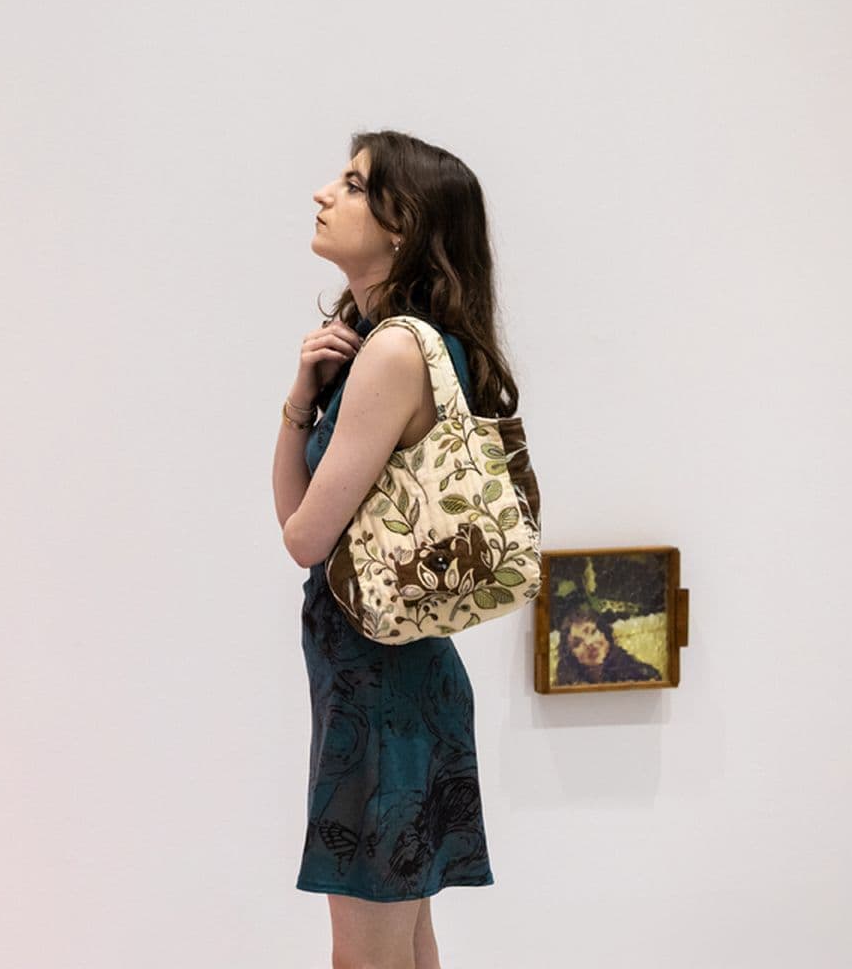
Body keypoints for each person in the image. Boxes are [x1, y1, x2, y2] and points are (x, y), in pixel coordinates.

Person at [273, 131, 522, 969]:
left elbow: (304, 536)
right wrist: (300, 402)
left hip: (376, 688)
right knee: (405, 945)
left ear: (401, 222)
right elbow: (301, 528)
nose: (323, 194)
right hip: (394, 676)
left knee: (367, 956)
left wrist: (306, 412)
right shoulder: (392, 344)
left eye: (350, 183)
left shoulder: (392, 350)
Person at [554, 603, 662, 685]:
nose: (589, 643)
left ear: (605, 633)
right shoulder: (568, 683)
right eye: (577, 643)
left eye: (593, 632)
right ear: (570, 654)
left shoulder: (636, 672)